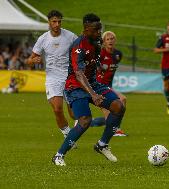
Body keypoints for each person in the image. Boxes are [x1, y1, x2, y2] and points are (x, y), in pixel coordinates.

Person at [52, 13, 126, 166]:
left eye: (100, 29)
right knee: (85, 121)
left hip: (92, 83)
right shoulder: (78, 46)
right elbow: (78, 74)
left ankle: (102, 144)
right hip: (75, 87)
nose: (99, 33)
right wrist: (93, 95)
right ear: (86, 29)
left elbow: (93, 66)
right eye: (95, 30)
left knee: (119, 106)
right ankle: (58, 156)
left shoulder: (96, 43)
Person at [27, 10, 77, 138]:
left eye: (59, 21)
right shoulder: (43, 39)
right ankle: (68, 135)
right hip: (52, 78)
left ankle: (80, 123)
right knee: (57, 109)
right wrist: (33, 60)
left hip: (69, 77)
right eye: (54, 21)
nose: (57, 24)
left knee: (74, 114)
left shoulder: (70, 36)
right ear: (49, 22)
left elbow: (80, 51)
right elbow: (29, 61)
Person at [90, 31, 128, 137]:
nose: (110, 41)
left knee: (117, 106)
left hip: (108, 86)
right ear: (104, 42)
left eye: (112, 38)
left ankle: (114, 128)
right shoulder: (100, 54)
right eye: (108, 39)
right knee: (117, 103)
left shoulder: (118, 54)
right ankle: (115, 130)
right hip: (98, 86)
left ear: (115, 40)